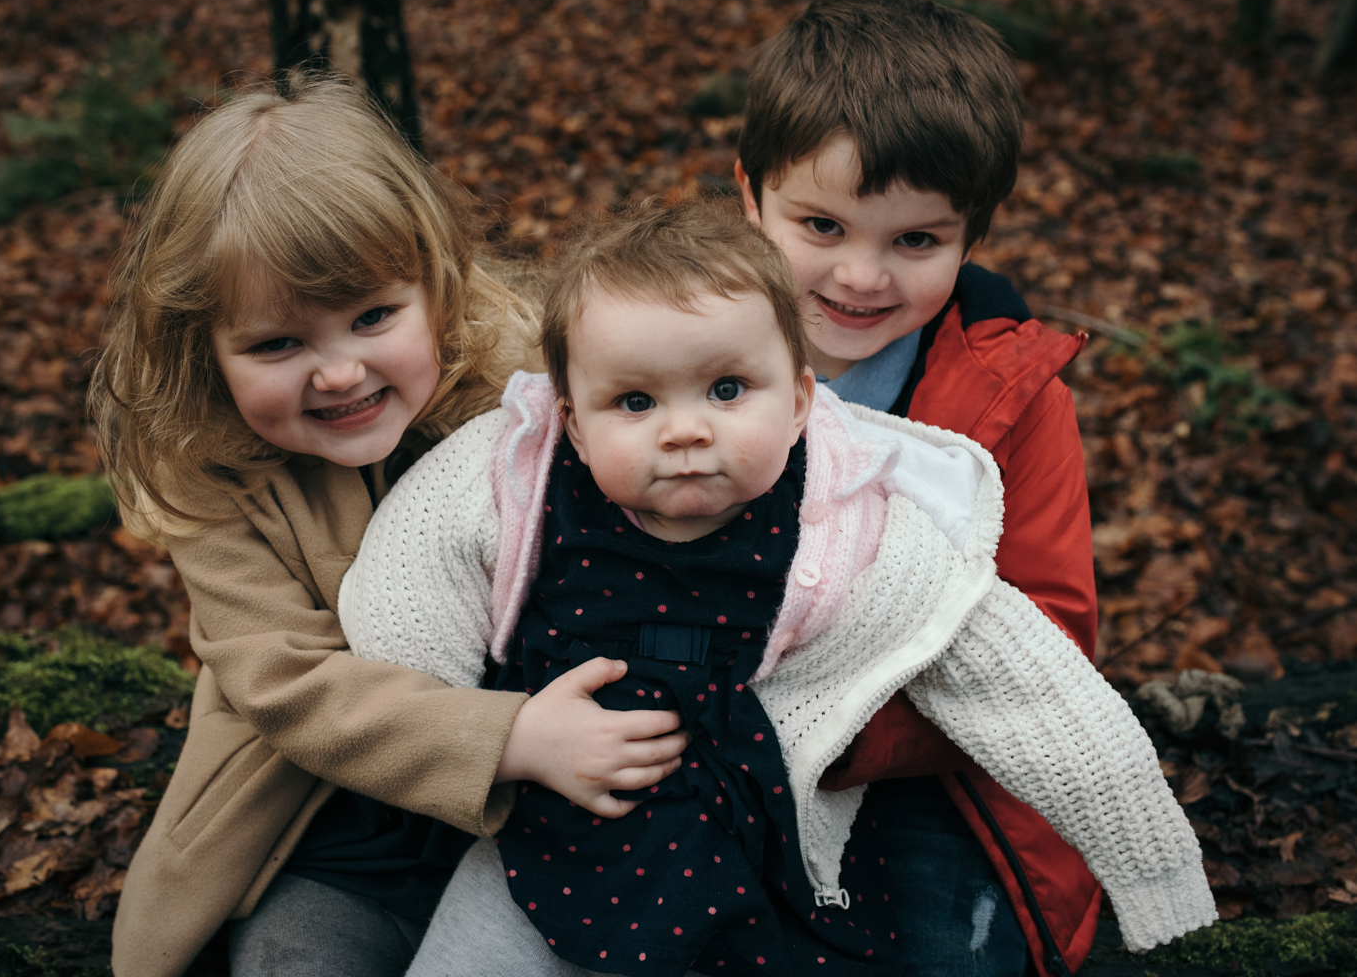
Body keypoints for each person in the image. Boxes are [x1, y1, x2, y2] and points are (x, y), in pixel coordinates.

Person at [338, 201, 1214, 977]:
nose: (685, 430)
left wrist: (1153, 871)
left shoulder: (855, 523)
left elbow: (1031, 686)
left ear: (799, 401)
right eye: (635, 403)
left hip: (755, 849)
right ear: (571, 415)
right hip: (549, 831)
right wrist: (483, 736)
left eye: (727, 390)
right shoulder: (515, 479)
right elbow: (399, 607)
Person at [90, 74, 690, 977]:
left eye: (372, 317)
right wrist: (508, 736)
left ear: (436, 284)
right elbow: (287, 684)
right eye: (277, 344)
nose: (338, 373)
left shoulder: (529, 393)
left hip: (555, 809)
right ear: (202, 347)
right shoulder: (215, 479)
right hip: (334, 828)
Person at [733, 0, 1102, 975]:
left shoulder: (1013, 404)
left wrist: (834, 735)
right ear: (748, 197)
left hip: (931, 783)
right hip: (707, 752)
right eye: (819, 224)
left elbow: (1047, 634)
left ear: (968, 235)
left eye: (913, 242)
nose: (860, 277)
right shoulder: (674, 350)